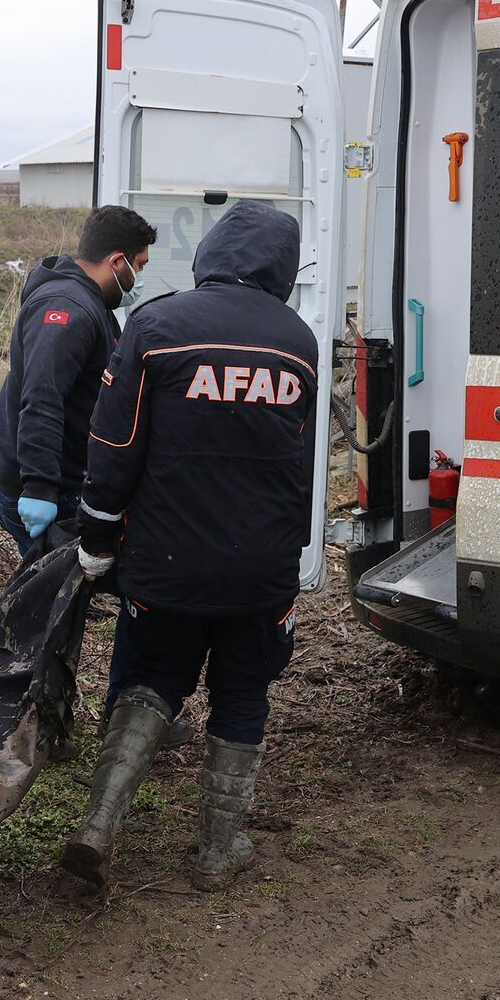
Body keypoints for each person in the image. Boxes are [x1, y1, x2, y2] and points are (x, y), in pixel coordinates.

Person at [60, 200, 319, 893]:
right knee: (241, 694)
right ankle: (217, 851)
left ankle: (98, 826)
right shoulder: (298, 341)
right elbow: (301, 462)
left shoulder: (157, 324)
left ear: (211, 253)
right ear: (283, 267)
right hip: (262, 567)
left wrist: (96, 536)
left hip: (166, 561)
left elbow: (114, 444)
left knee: (150, 683)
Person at [0, 205, 155, 555]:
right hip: (46, 487)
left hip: (61, 479)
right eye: (139, 266)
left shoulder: (91, 302)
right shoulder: (66, 309)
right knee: (48, 596)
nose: (139, 277)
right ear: (117, 262)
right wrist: (40, 489)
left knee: (61, 592)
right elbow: (42, 399)